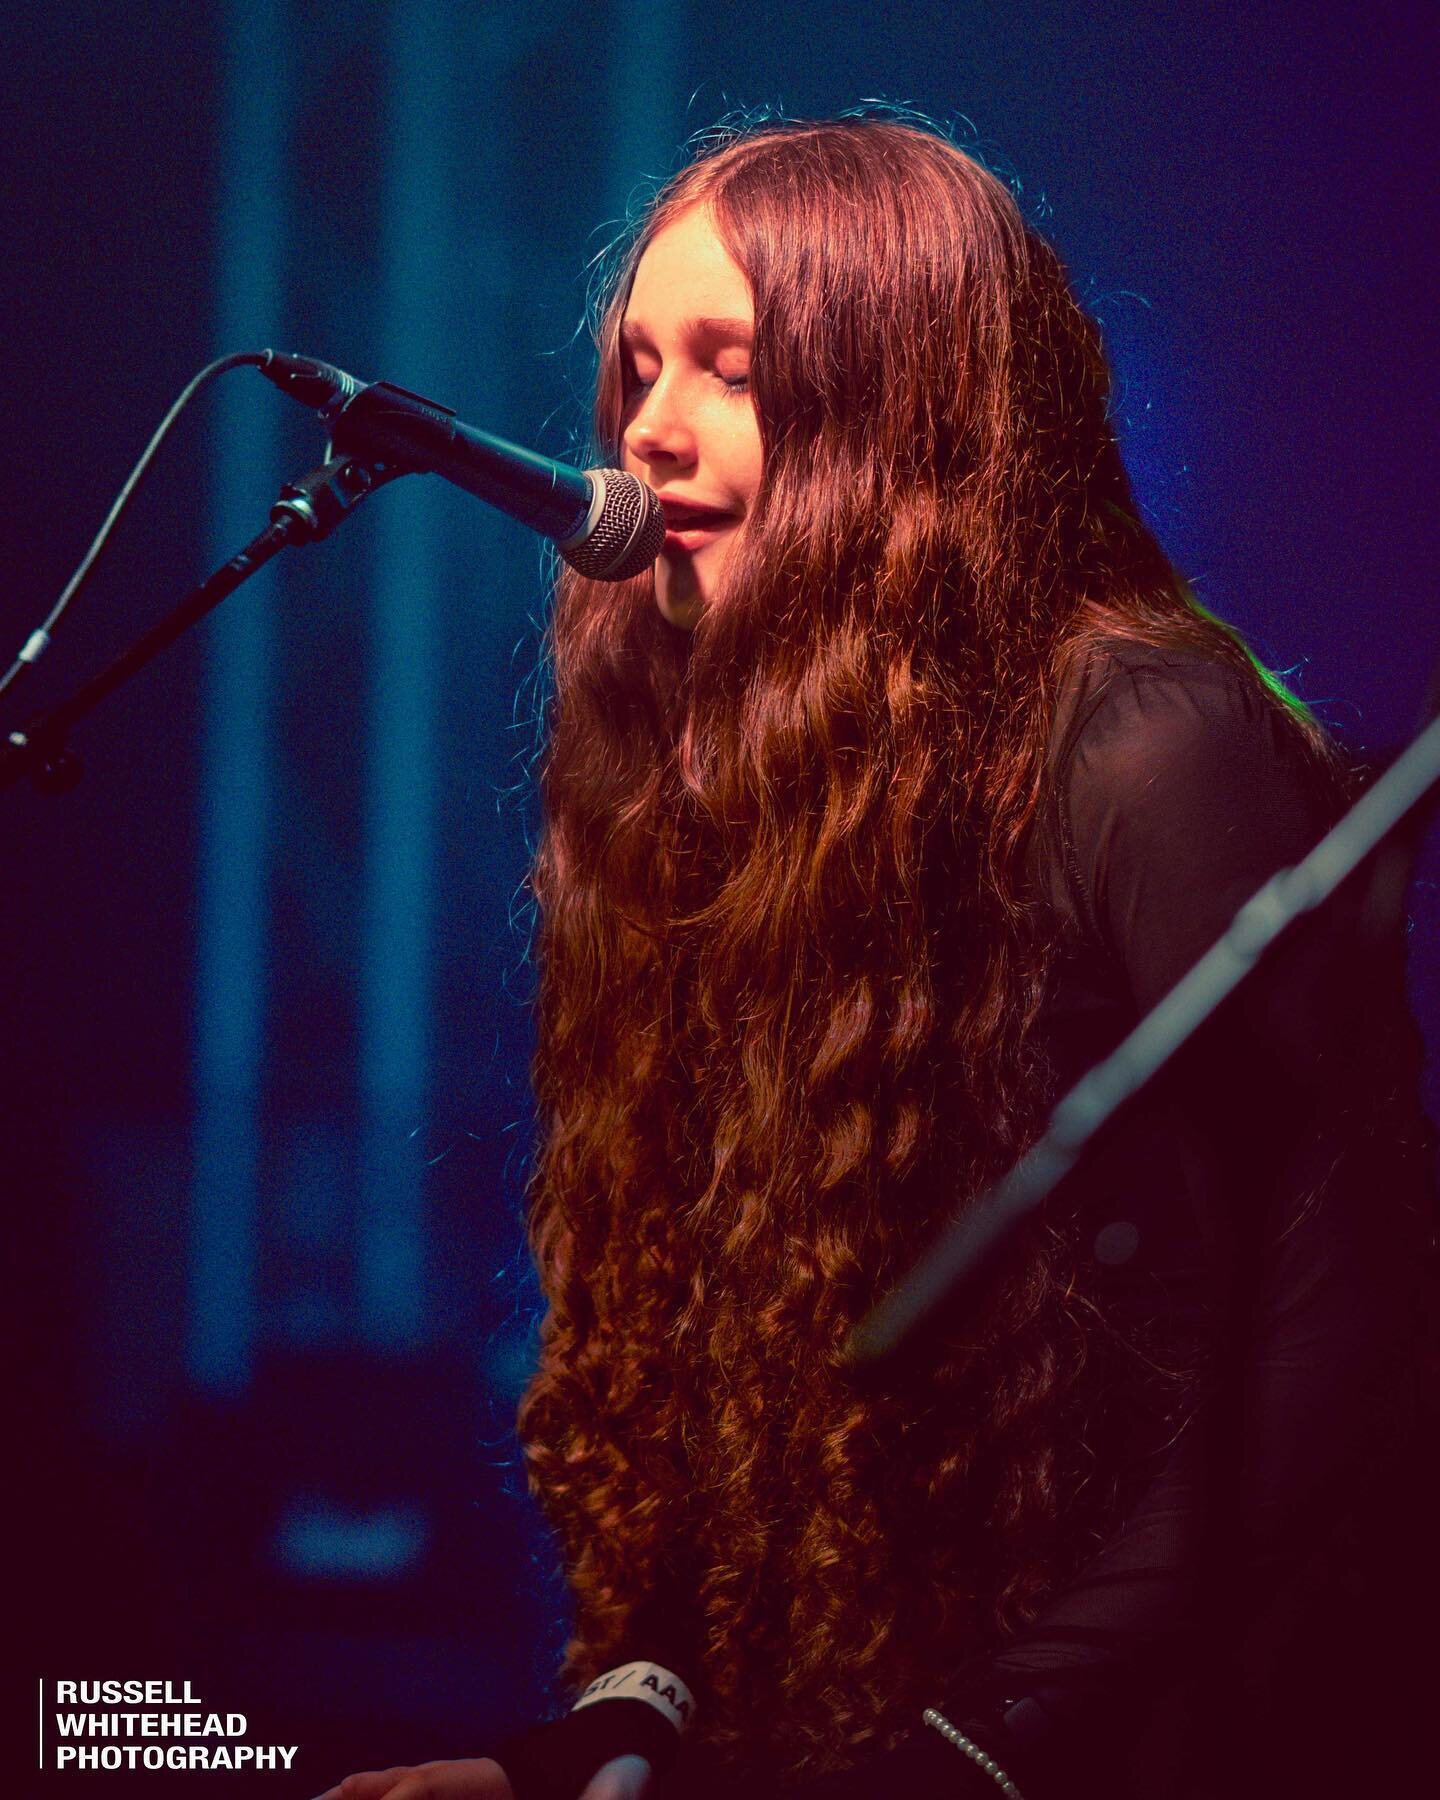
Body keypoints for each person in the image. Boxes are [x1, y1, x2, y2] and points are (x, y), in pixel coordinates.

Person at [319, 112, 1437, 1800]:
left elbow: (1343, 1321)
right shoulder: (707, 769)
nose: (651, 431)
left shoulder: (1146, 739)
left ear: (905, 409)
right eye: (639, 369)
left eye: (734, 371)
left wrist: (975, 1752)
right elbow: (721, 1341)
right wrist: (608, 1736)